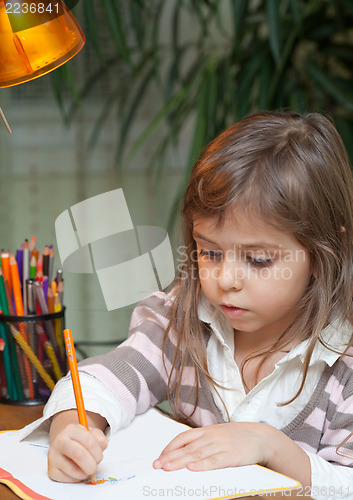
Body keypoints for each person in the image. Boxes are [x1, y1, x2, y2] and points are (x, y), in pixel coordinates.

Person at [28, 111, 353, 498]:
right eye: (210, 253)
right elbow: (103, 380)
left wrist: (272, 447)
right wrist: (73, 428)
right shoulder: (181, 318)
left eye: (259, 260)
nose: (226, 280)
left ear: (322, 253)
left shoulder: (343, 366)